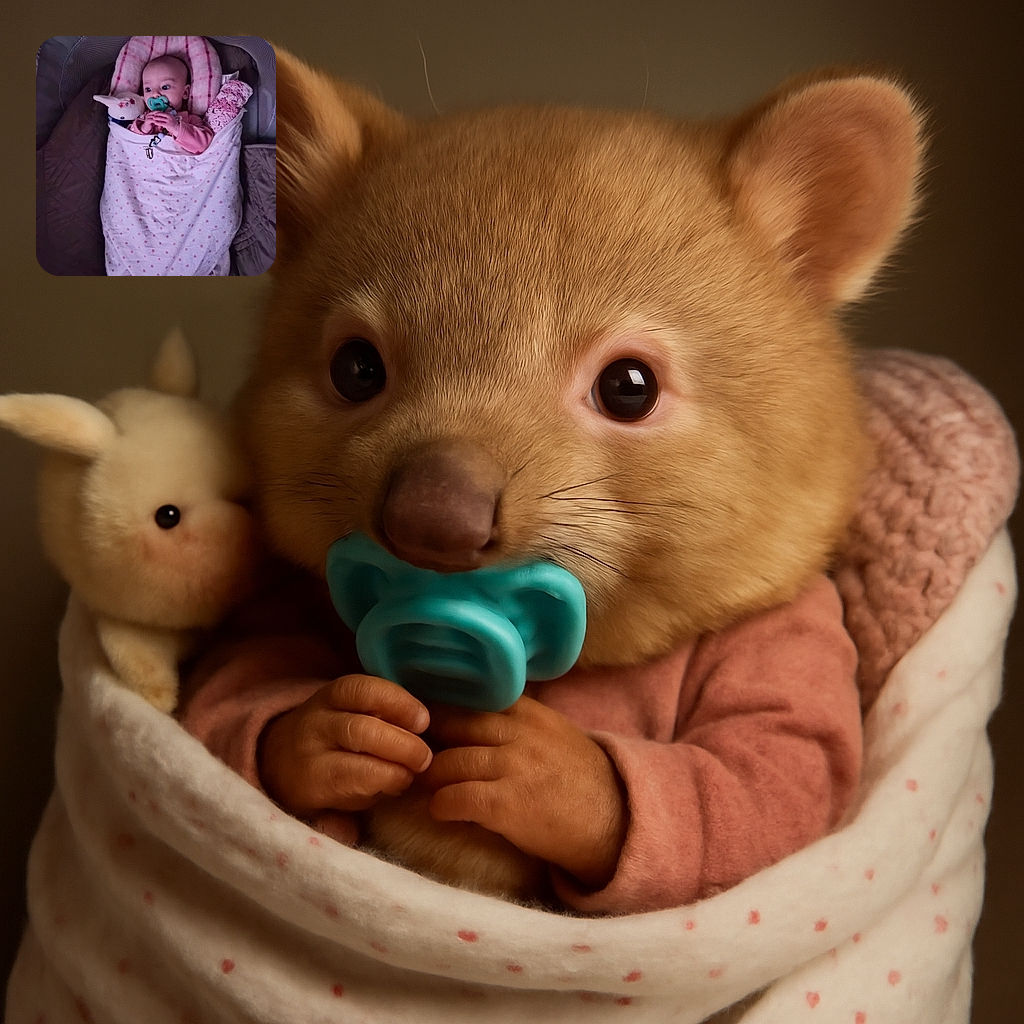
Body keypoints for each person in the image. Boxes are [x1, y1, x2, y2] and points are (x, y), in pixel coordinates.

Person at [130, 55, 213, 155]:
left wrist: (176, 128)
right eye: (148, 89)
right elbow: (129, 139)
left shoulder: (191, 120)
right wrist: (144, 128)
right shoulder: (144, 118)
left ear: (185, 93)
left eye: (165, 87)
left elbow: (202, 145)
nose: (155, 94)